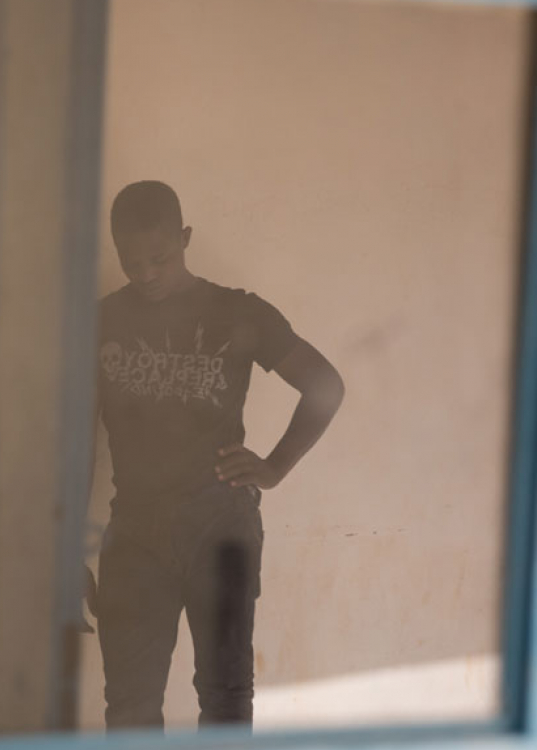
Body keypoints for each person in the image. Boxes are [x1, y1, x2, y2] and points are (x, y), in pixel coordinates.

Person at [88, 180, 345, 730]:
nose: (147, 273)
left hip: (221, 529)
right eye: (132, 262)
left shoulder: (237, 313)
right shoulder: (101, 322)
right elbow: (73, 438)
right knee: (129, 707)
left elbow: (324, 386)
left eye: (160, 257)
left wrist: (274, 467)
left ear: (185, 237)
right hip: (134, 537)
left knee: (226, 699)